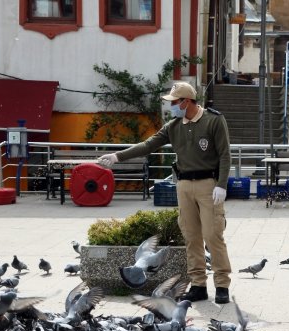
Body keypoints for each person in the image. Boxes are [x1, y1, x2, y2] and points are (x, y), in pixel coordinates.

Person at [98, 82, 233, 304]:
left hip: (208, 184)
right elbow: (149, 145)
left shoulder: (214, 120)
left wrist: (222, 184)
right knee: (191, 237)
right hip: (183, 184)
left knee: (212, 235)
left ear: (186, 101)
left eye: (174, 102)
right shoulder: (173, 126)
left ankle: (222, 285)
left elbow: (225, 154)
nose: (171, 106)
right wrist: (118, 156)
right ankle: (198, 285)